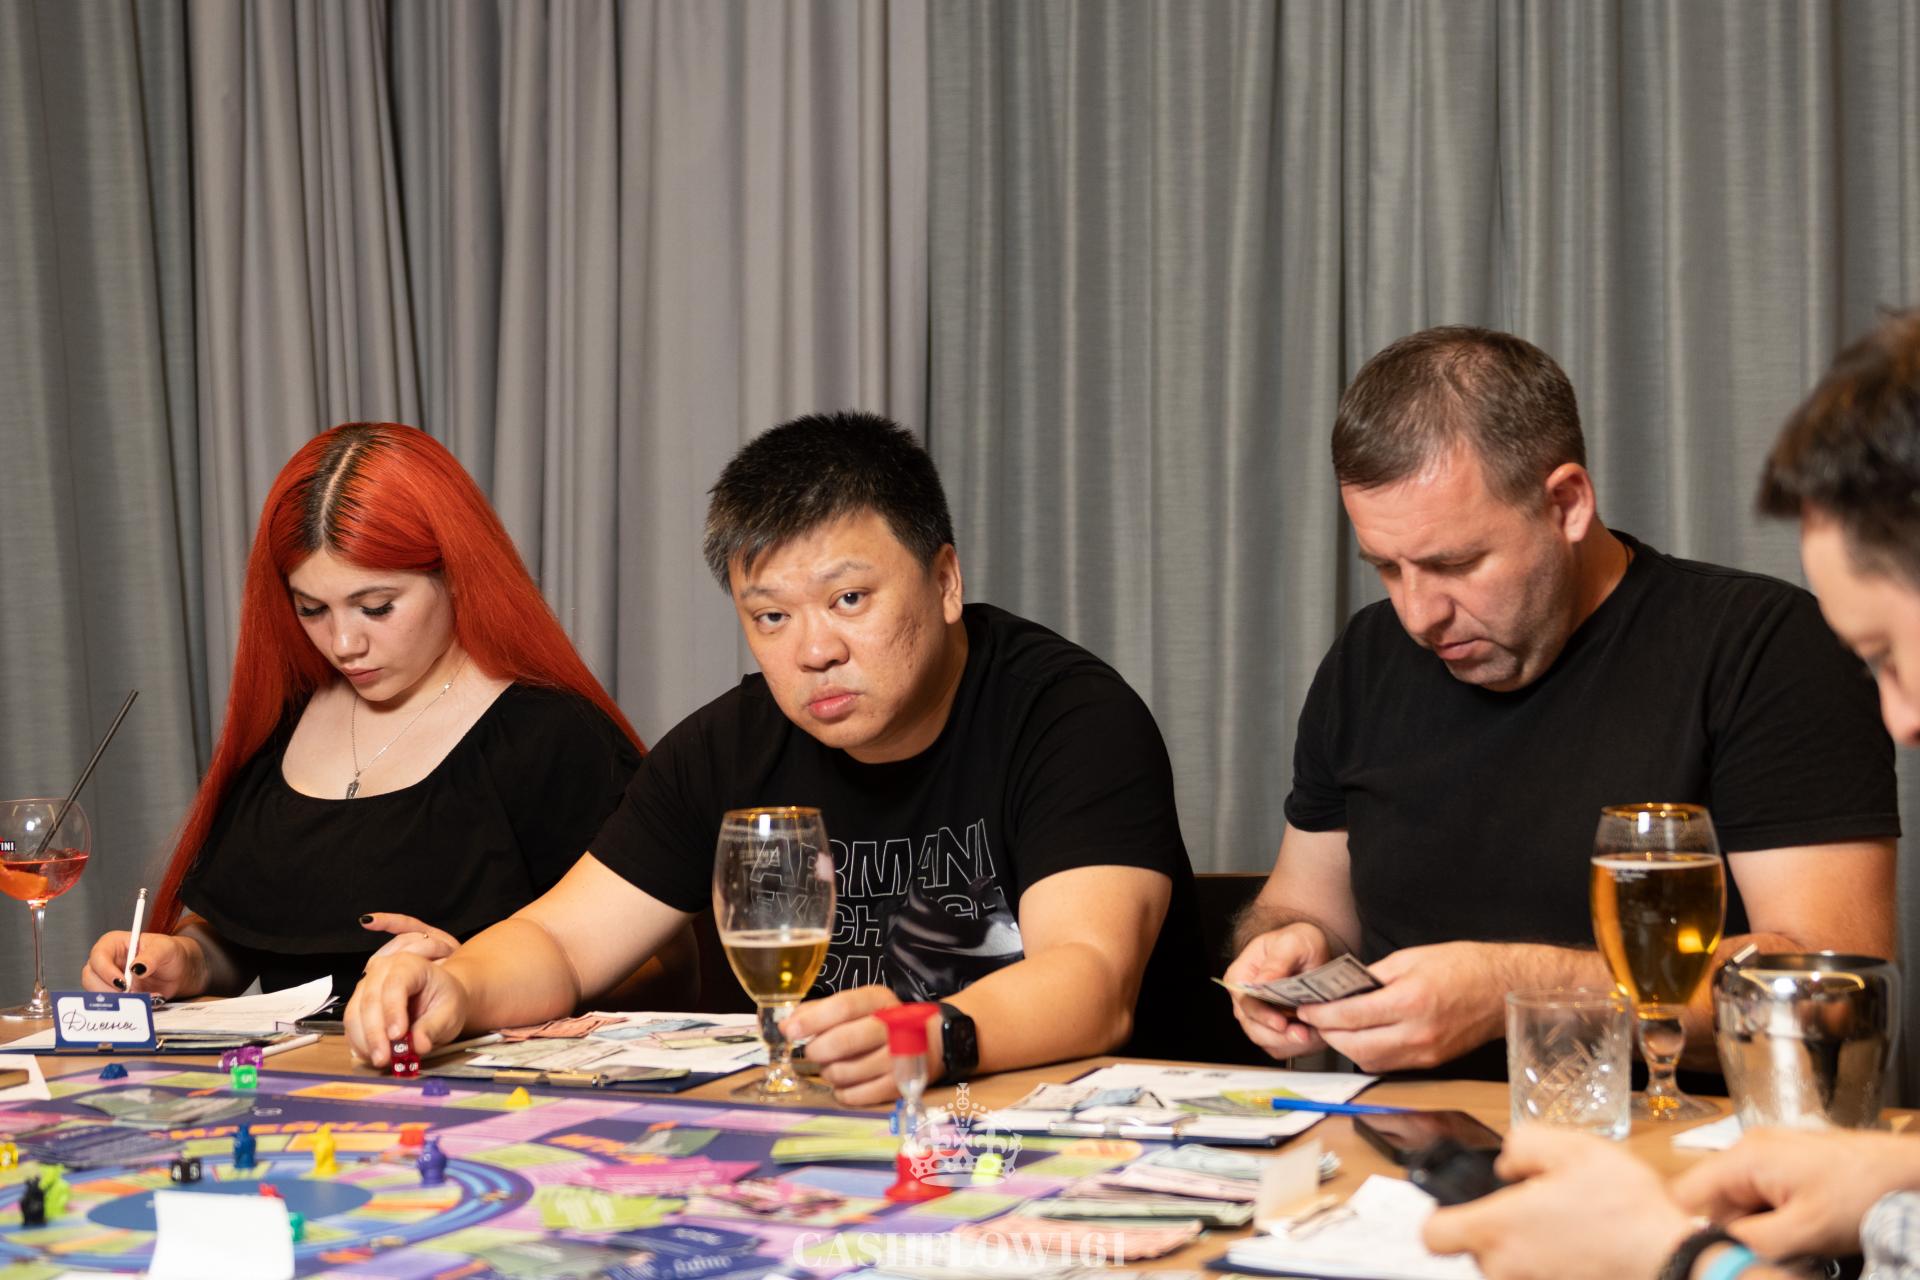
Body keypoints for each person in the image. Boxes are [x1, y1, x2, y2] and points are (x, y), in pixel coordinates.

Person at [347, 410, 1210, 1104]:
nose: (814, 650)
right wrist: (457, 987)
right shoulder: (730, 746)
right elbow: (561, 942)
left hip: (1078, 1149)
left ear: (946, 581)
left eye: (849, 598)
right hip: (837, 1143)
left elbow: (1091, 979)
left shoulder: (1067, 717)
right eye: (770, 617)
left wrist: (930, 1033)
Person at [1227, 325, 1898, 1077]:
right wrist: (1288, 946)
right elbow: (1305, 905)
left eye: (1456, 563)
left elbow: (1829, 995)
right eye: (1387, 567)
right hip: (1402, 1137)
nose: (1418, 615)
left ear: (1568, 503)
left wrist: (1514, 992)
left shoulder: (1763, 647)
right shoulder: (1366, 657)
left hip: (1673, 1136)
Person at [1425, 309, 1920, 1280]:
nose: (1902, 719)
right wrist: (1897, 1177)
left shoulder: (1754, 644)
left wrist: (1671, 1257)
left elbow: (1822, 984)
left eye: (1893, 653)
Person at [81, 422, 645, 1001]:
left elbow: (666, 969)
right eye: (312, 609)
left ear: (456, 575)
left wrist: (477, 976)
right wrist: (188, 960)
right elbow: (254, 935)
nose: (344, 644)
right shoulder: (284, 723)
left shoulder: (553, 735)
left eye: (375, 607)